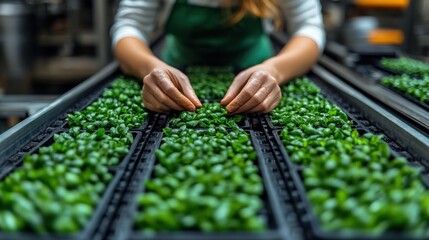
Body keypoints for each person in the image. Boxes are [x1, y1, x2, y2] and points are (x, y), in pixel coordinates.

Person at [111, 0, 325, 114]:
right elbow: (130, 27)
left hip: (257, 68)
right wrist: (149, 67)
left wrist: (275, 70)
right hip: (178, 70)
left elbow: (308, 28)